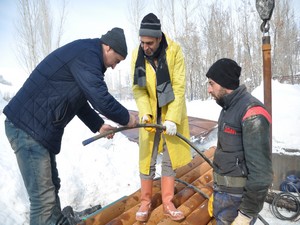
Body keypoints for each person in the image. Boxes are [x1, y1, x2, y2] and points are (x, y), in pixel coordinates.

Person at [4, 27, 138, 225]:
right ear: (108, 47)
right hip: (27, 129)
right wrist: (127, 118)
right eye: (116, 61)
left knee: (52, 188)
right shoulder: (88, 55)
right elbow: (100, 98)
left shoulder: (87, 55)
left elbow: (79, 101)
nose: (114, 67)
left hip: (36, 129)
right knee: (43, 201)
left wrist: (99, 125)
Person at [131, 13, 192, 222]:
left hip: (170, 112)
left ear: (158, 39)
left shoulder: (174, 51)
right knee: (146, 158)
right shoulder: (136, 55)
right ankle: (145, 202)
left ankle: (167, 202)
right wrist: (146, 113)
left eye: (149, 42)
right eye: (142, 42)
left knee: (169, 158)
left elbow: (179, 86)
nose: (145, 46)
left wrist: (173, 119)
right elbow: (138, 90)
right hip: (150, 114)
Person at [206, 58, 273, 225]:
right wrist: (217, 193)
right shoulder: (228, 107)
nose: (208, 89)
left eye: (211, 83)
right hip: (224, 196)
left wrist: (246, 214)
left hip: (237, 201)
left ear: (224, 83)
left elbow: (261, 173)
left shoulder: (252, 113)